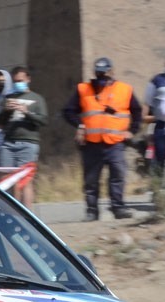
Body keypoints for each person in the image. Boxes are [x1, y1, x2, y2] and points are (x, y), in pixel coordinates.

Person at [63, 57, 141, 220]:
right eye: (99, 74)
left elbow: (137, 111)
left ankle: (118, 208)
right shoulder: (83, 89)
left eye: (105, 74)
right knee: (91, 180)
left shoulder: (124, 89)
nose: (102, 77)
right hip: (91, 144)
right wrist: (80, 125)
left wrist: (132, 131)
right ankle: (92, 211)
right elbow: (68, 111)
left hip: (116, 143)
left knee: (118, 175)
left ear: (112, 72)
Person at [0, 65, 47, 207]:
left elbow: (43, 121)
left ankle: (27, 215)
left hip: (28, 143)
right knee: (6, 179)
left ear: (28, 79)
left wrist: (27, 112)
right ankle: (8, 211)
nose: (18, 83)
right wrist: (6, 110)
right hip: (8, 143)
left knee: (24, 181)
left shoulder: (37, 98)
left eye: (21, 80)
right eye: (15, 81)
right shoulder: (8, 97)